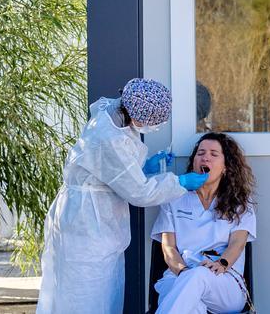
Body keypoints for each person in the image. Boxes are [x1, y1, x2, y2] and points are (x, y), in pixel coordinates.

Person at [37, 79, 210, 314]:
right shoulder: (108, 136)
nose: (153, 126)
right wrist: (180, 182)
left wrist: (143, 167)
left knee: (104, 295)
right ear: (139, 115)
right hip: (86, 229)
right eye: (153, 122)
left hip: (96, 225)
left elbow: (115, 170)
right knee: (85, 298)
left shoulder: (116, 115)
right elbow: (140, 192)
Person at [153, 132, 257, 314]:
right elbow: (168, 248)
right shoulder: (174, 198)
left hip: (223, 280)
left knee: (199, 276)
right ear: (194, 162)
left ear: (226, 167)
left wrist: (222, 263)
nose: (205, 157)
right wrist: (185, 272)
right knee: (193, 305)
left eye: (213, 154)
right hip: (180, 274)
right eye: (200, 153)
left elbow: (237, 244)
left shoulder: (240, 203)